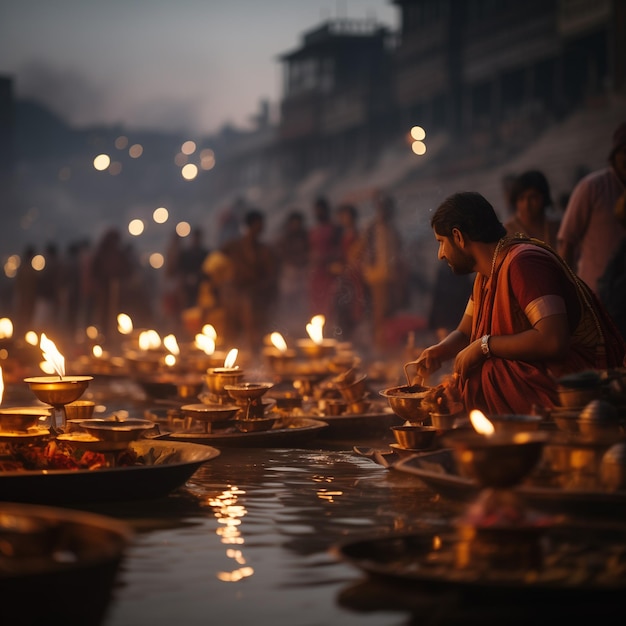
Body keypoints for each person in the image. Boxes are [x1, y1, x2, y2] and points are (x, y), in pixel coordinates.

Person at [410, 191, 625, 415]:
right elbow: (466, 333)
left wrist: (484, 346)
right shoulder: (486, 274)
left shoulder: (523, 263)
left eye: (441, 243)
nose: (440, 254)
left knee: (489, 371)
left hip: (577, 382)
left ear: (459, 237)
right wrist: (439, 351)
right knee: (473, 375)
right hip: (541, 378)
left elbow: (553, 340)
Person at [557, 121, 626, 294]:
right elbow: (567, 242)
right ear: (614, 155)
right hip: (597, 294)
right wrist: (569, 291)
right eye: (624, 151)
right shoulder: (592, 187)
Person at [220, 209, 278, 353]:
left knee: (254, 336)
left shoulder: (264, 250)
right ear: (252, 225)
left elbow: (271, 276)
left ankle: (255, 365)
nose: (262, 228)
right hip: (234, 297)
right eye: (260, 224)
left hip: (254, 299)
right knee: (231, 335)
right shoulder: (232, 246)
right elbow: (216, 266)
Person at [361, 190, 408, 353]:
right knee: (380, 314)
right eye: (383, 208)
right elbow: (359, 250)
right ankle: (380, 347)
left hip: (392, 277)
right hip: (377, 277)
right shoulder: (372, 228)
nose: (386, 211)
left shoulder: (392, 229)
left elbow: (399, 253)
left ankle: (389, 346)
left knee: (391, 313)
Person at [504, 169, 560, 249]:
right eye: (521, 198)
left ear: (543, 197)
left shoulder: (557, 226)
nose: (527, 204)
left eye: (533, 197)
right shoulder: (508, 232)